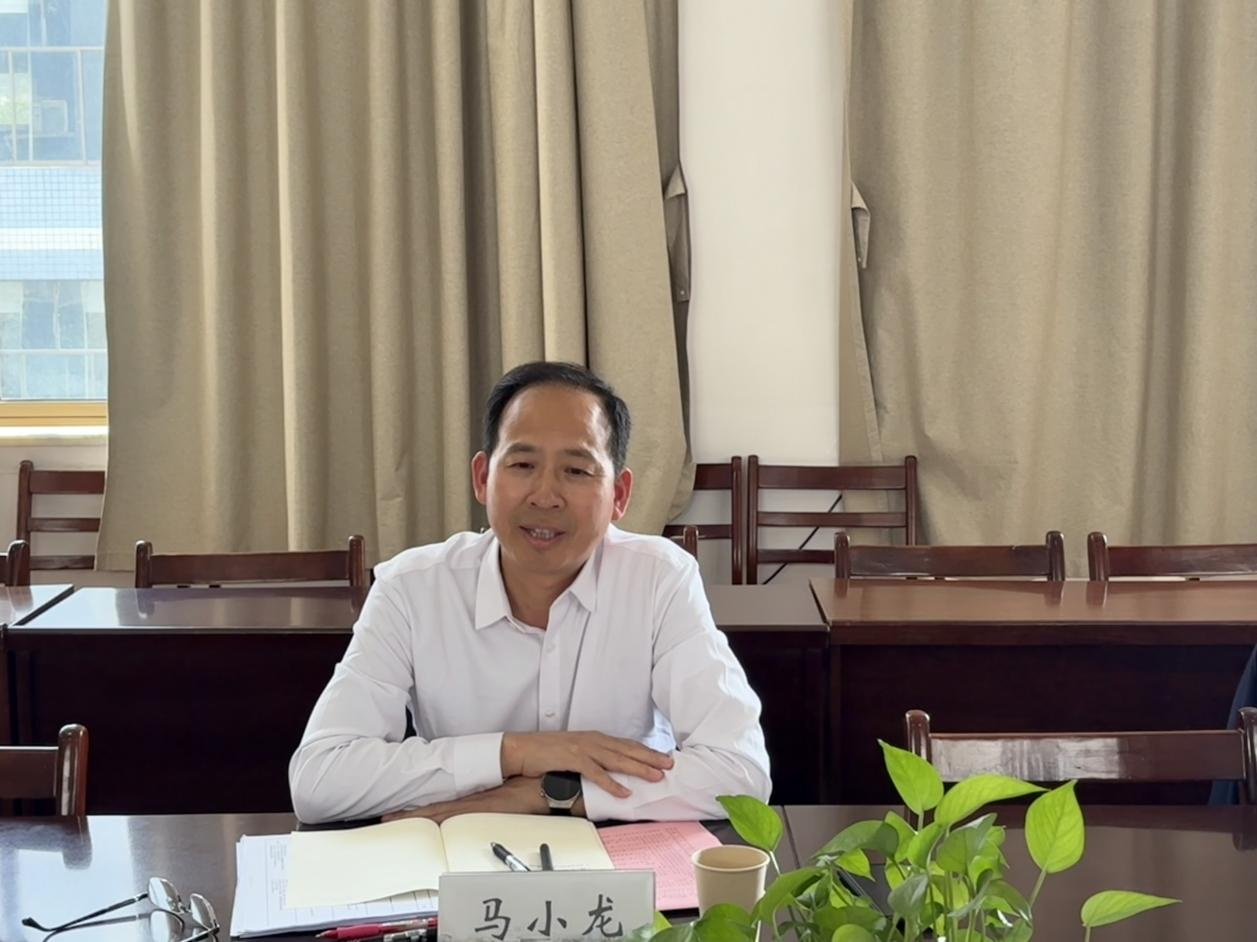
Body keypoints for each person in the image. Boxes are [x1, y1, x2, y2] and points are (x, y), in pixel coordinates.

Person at [289, 361, 771, 824]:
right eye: (522, 464)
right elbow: (319, 779)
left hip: (621, 851)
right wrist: (516, 753)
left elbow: (741, 772)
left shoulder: (659, 579)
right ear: (483, 478)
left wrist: (550, 795)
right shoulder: (411, 588)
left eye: (576, 471)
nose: (545, 495)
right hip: (464, 848)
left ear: (620, 495)